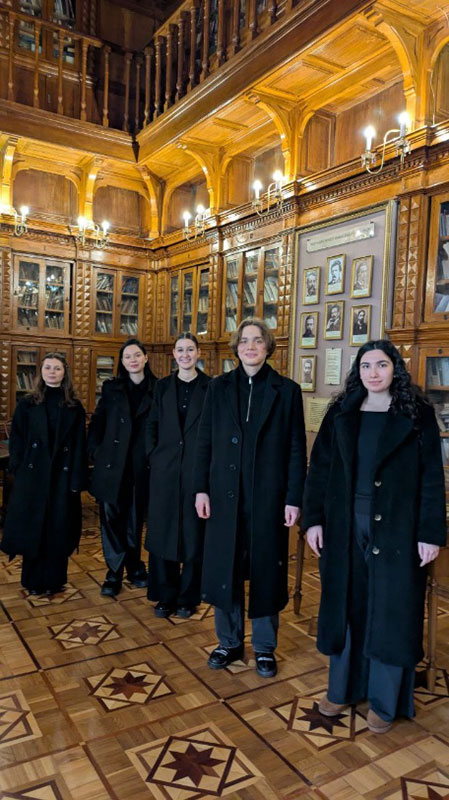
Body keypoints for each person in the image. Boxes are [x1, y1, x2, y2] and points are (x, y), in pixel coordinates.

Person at [302, 340, 446, 734]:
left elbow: (432, 477)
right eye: (366, 366)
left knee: (390, 611)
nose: (373, 373)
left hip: (399, 529)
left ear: (395, 368)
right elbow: (320, 470)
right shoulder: (341, 413)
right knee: (346, 605)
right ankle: (342, 689)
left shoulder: (417, 414)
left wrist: (430, 533)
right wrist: (313, 521)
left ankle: (385, 702)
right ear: (358, 372)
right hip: (344, 526)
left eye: (381, 365)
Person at [194, 317, 307, 678]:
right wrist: (200, 488)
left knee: (266, 570)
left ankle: (264, 647)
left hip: (268, 499)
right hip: (223, 497)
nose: (250, 347)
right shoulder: (218, 387)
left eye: (258, 340)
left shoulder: (287, 391)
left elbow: (296, 449)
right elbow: (204, 441)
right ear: (237, 347)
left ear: (268, 347)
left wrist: (293, 498)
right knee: (225, 567)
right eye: (244, 341)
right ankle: (228, 642)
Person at [1, 353, 87, 595]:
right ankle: (32, 580)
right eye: (48, 367)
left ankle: (54, 580)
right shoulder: (28, 403)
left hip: (62, 477)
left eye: (57, 368)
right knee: (33, 526)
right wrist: (19, 468)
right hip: (33, 476)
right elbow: (17, 439)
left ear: (64, 372)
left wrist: (76, 480)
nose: (52, 372)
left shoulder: (74, 406)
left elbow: (79, 445)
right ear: (41, 372)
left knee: (58, 527)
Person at [145, 333, 211, 618]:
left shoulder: (211, 387)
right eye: (180, 350)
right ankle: (165, 595)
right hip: (165, 471)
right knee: (163, 533)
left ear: (198, 353)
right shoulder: (162, 387)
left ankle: (188, 597)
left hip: (198, 471)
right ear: (173, 354)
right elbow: (152, 424)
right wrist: (154, 455)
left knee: (194, 535)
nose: (185, 355)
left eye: (190, 350)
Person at [88, 338, 156, 597]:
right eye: (127, 356)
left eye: (137, 355)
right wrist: (96, 452)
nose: (133, 360)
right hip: (111, 465)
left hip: (141, 466)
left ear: (145, 358)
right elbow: (98, 423)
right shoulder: (111, 388)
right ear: (122, 362)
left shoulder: (158, 388)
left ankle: (135, 567)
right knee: (111, 519)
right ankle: (114, 572)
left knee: (135, 520)